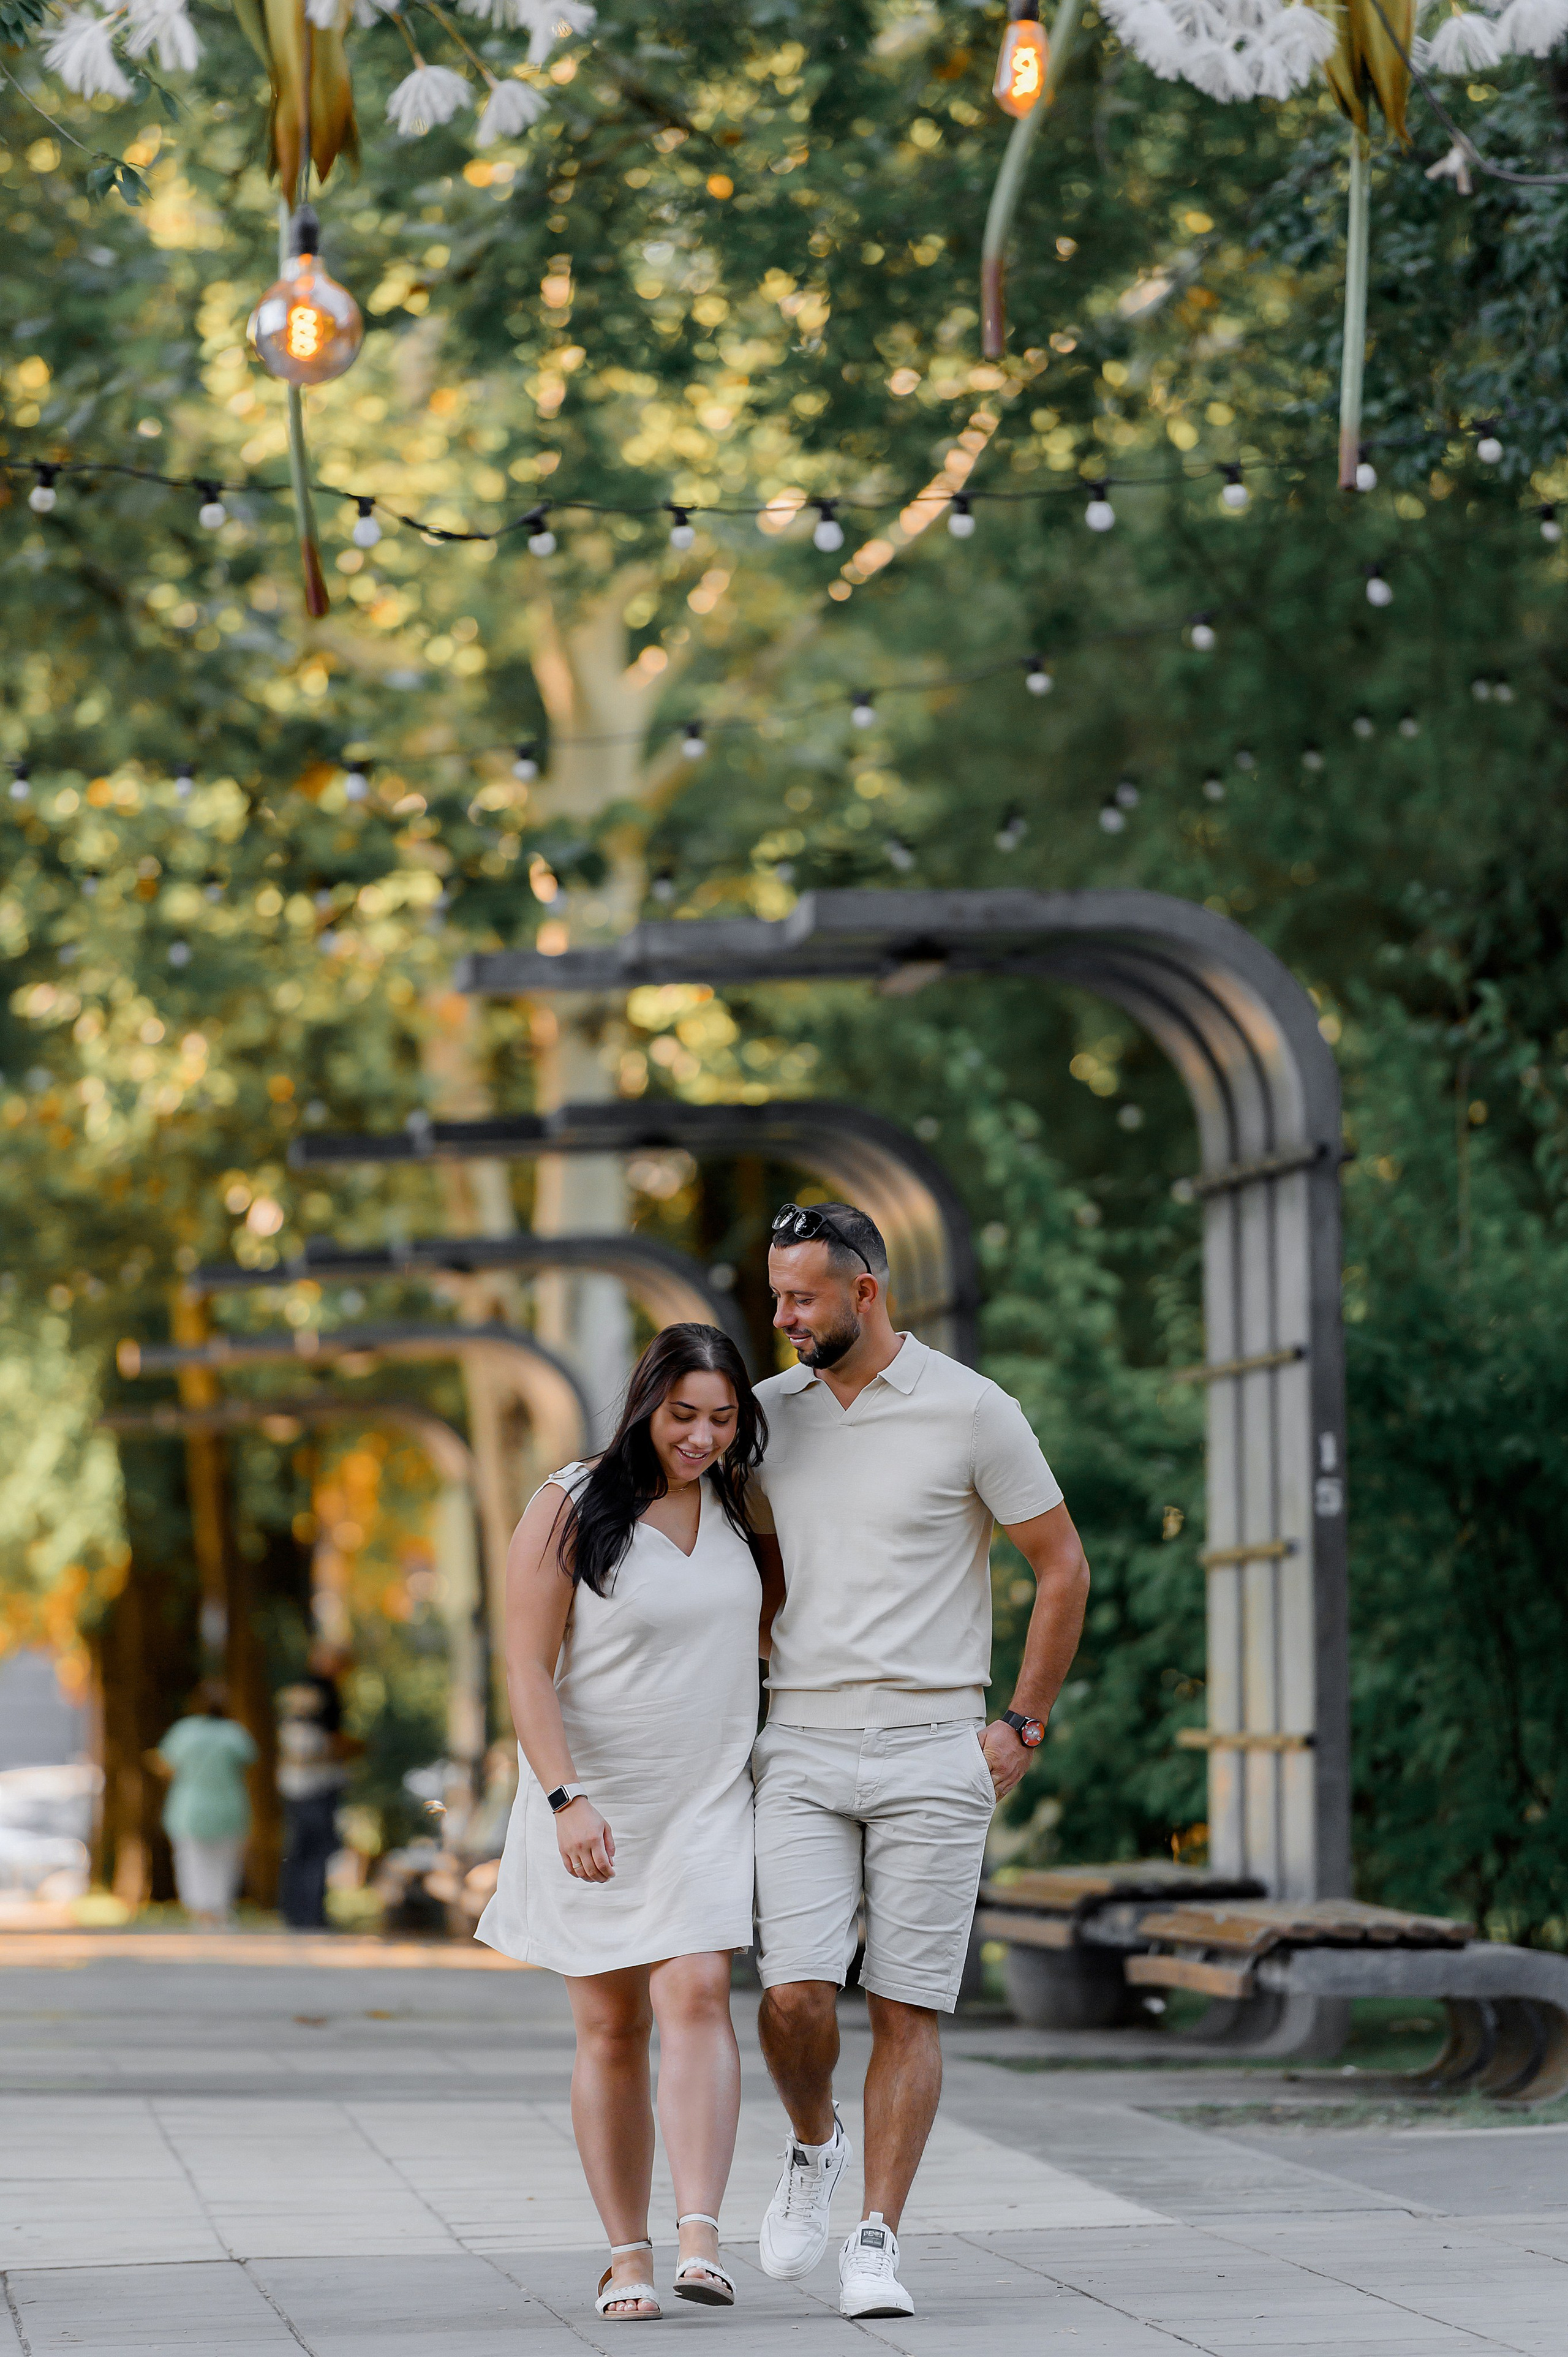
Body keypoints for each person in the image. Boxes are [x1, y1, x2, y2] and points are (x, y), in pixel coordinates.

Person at [747, 1201, 1090, 2321]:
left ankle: (876, 2241)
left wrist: (1021, 1723)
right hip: (797, 1738)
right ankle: (813, 2141)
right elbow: (739, 1563)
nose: (783, 1314)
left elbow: (1063, 1565)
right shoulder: (763, 1417)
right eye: (777, 1293)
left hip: (937, 1745)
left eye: (802, 1294)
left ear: (866, 1290)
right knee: (794, 1993)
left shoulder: (973, 1408)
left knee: (907, 2005)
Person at [477, 1324, 767, 2323]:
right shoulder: (570, 1501)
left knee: (697, 1987)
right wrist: (565, 1797)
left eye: (723, 1418)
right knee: (610, 2024)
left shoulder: (742, 1503)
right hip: (590, 1799)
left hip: (708, 1795)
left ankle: (700, 2236)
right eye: (683, 1412)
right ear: (645, 1399)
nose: (701, 1435)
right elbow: (523, 1662)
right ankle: (626, 2253)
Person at [151, 1680, 257, 1929]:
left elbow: (166, 1765)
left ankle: (200, 1911)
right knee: (225, 1860)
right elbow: (249, 1764)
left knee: (192, 1860)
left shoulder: (184, 1732)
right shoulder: (234, 1734)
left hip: (191, 1805)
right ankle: (219, 1909)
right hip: (227, 1804)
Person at [276, 1642, 355, 1931]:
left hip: (298, 1786)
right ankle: (307, 1914)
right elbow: (327, 1744)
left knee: (301, 1850)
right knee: (314, 1850)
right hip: (315, 1785)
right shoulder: (322, 1693)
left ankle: (299, 1912)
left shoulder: (299, 1694)